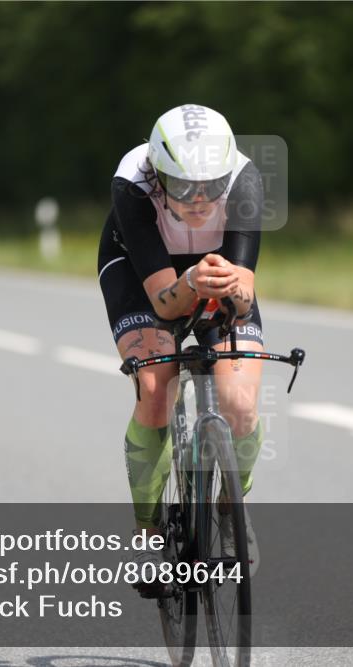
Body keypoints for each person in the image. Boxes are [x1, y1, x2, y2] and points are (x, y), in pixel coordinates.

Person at [97, 104, 265, 595]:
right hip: (140, 269)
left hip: (212, 267)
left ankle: (232, 507)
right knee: (155, 385)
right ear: (158, 173)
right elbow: (164, 303)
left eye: (212, 186)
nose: (199, 199)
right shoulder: (132, 185)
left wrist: (233, 289)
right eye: (184, 186)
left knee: (241, 404)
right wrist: (190, 282)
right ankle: (148, 532)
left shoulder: (246, 180)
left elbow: (246, 289)